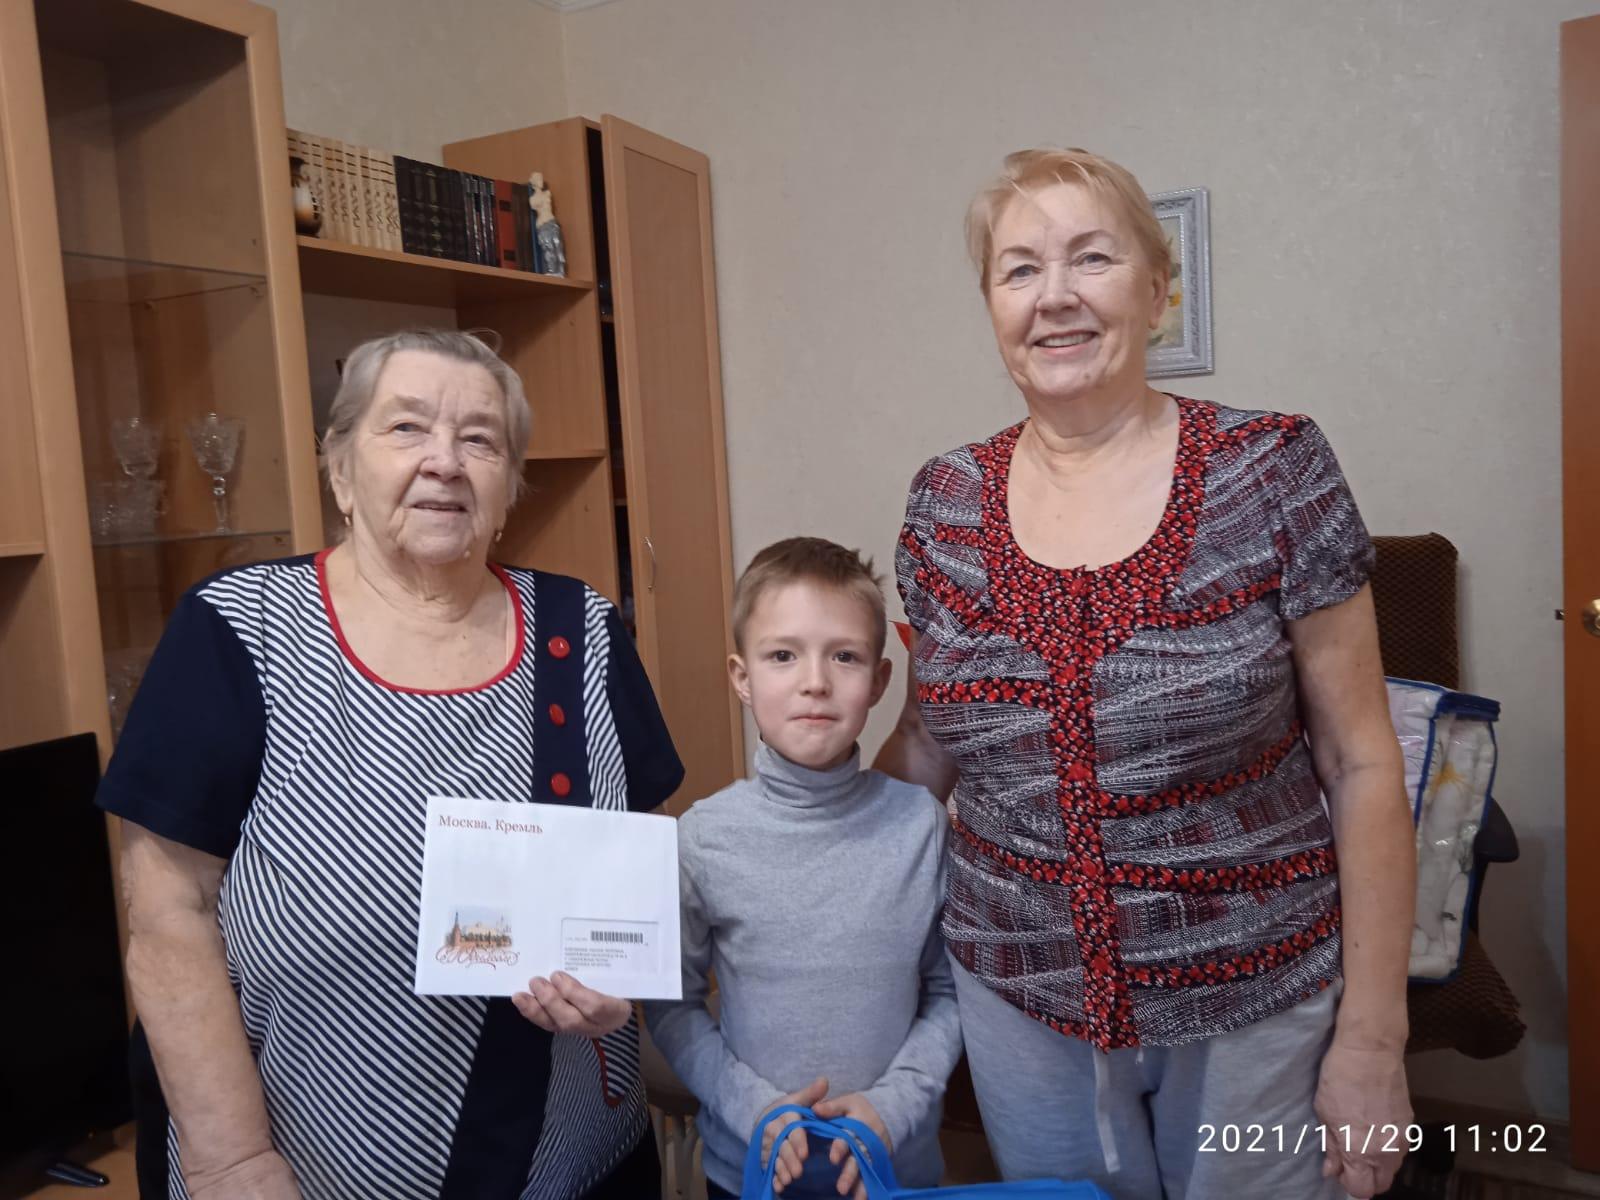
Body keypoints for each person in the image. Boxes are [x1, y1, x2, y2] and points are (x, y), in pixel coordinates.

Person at [876, 149, 1415, 1200]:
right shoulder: (942, 502)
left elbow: (1360, 761)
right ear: (991, 305)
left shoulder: (1273, 468)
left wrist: (1373, 1039)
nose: (1055, 296)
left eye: (1092, 258)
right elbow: (926, 741)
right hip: (1017, 995)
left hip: (1255, 995)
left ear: (1159, 290)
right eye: (1019, 269)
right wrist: (795, 860)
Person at [98, 329, 684, 1199]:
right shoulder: (238, 630)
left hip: (571, 1161)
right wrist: (232, 1160)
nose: (444, 461)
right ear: (340, 468)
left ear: (509, 486)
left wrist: (621, 980)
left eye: (480, 438)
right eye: (407, 427)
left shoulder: (585, 630)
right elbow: (165, 913)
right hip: (297, 1171)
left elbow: (639, 869)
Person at [645, 538, 962, 1200]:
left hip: (895, 1172)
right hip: (750, 1172)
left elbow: (951, 994)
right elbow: (671, 1006)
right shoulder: (703, 838)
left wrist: (894, 1105)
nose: (815, 681)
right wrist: (753, 1108)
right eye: (782, 655)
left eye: (844, 656)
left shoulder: (921, 827)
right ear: (742, 678)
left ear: (879, 681)